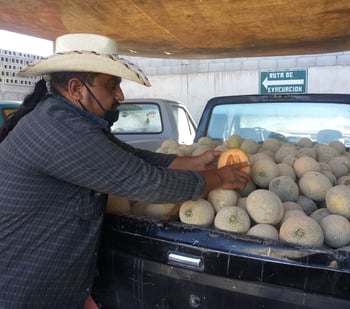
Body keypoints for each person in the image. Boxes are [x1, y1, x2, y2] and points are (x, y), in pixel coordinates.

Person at [0, 33, 249, 308]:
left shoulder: (67, 119)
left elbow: (129, 157)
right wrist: (218, 178)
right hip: (20, 290)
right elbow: (149, 183)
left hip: (52, 287)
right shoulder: (60, 130)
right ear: (76, 89)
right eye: (112, 85)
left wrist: (194, 162)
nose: (120, 95)